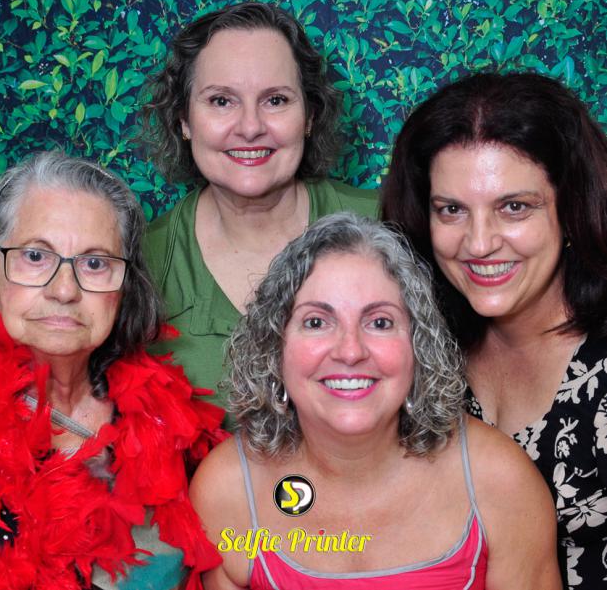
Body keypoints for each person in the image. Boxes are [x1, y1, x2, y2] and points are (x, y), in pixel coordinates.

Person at [190, 212, 561, 590]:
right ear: (275, 347)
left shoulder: (497, 479)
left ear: (418, 345)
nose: (350, 351)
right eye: (316, 322)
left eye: (380, 322)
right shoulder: (228, 490)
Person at [381, 72, 607, 589]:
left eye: (514, 207)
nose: (479, 243)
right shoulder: (416, 352)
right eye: (452, 210)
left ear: (572, 210)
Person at [0, 151, 225, 590]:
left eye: (95, 263)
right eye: (35, 256)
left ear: (125, 290)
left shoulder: (166, 422)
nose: (64, 290)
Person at [142, 2, 378, 425]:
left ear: (309, 116)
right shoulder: (140, 262)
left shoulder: (388, 226)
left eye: (275, 100)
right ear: (184, 120)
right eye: (221, 101)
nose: (250, 127)